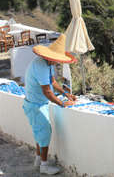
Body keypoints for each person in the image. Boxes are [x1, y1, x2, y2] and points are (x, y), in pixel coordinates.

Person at [22, 34, 77, 175]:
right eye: (57, 60)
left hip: (38, 103)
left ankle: (38, 159)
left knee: (39, 133)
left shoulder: (48, 64)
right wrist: (63, 104)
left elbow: (52, 82)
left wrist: (66, 94)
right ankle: (44, 166)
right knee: (45, 132)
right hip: (35, 105)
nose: (57, 63)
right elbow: (47, 91)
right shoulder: (40, 65)